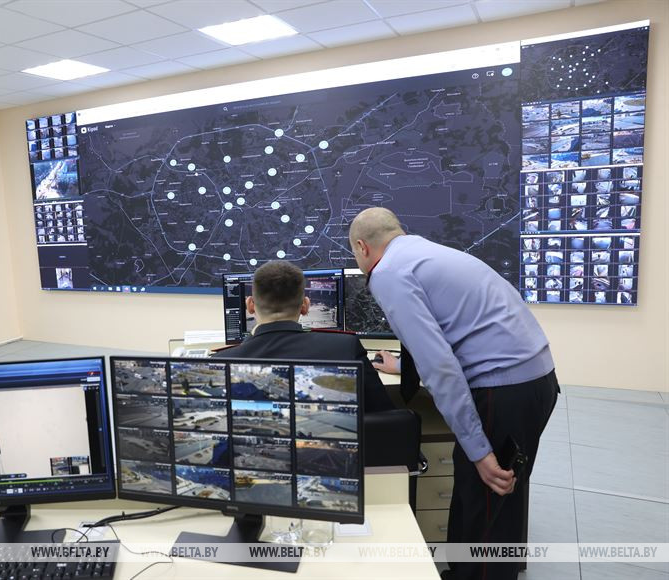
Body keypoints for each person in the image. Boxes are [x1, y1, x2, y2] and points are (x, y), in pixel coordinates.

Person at [348, 208, 559, 580]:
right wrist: (404, 366)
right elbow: (456, 329)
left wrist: (480, 452)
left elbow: (441, 366)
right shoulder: (423, 253)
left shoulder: (388, 273)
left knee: (487, 507)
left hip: (502, 388)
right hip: (534, 378)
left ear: (362, 247)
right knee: (483, 500)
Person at [215, 260, 395, 413]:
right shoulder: (346, 347)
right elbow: (382, 412)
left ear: (250, 305)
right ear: (305, 306)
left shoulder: (220, 362)